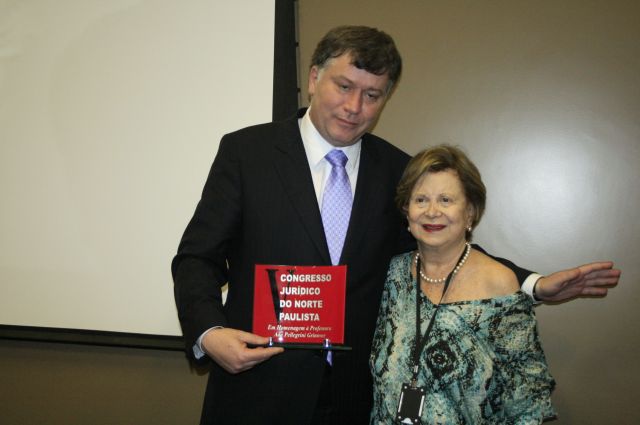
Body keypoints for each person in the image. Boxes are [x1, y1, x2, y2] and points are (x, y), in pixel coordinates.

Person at [172, 25, 619, 425]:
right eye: (344, 86)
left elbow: (445, 246)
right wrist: (210, 333)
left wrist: (533, 283)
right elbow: (197, 258)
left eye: (372, 95)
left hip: (357, 400)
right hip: (258, 390)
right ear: (313, 78)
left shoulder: (397, 170)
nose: (354, 107)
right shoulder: (247, 153)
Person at [370, 145, 556, 424]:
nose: (432, 212)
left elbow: (527, 404)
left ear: (470, 212)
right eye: (421, 200)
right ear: (407, 210)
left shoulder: (498, 283)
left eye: (446, 200)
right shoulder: (393, 274)